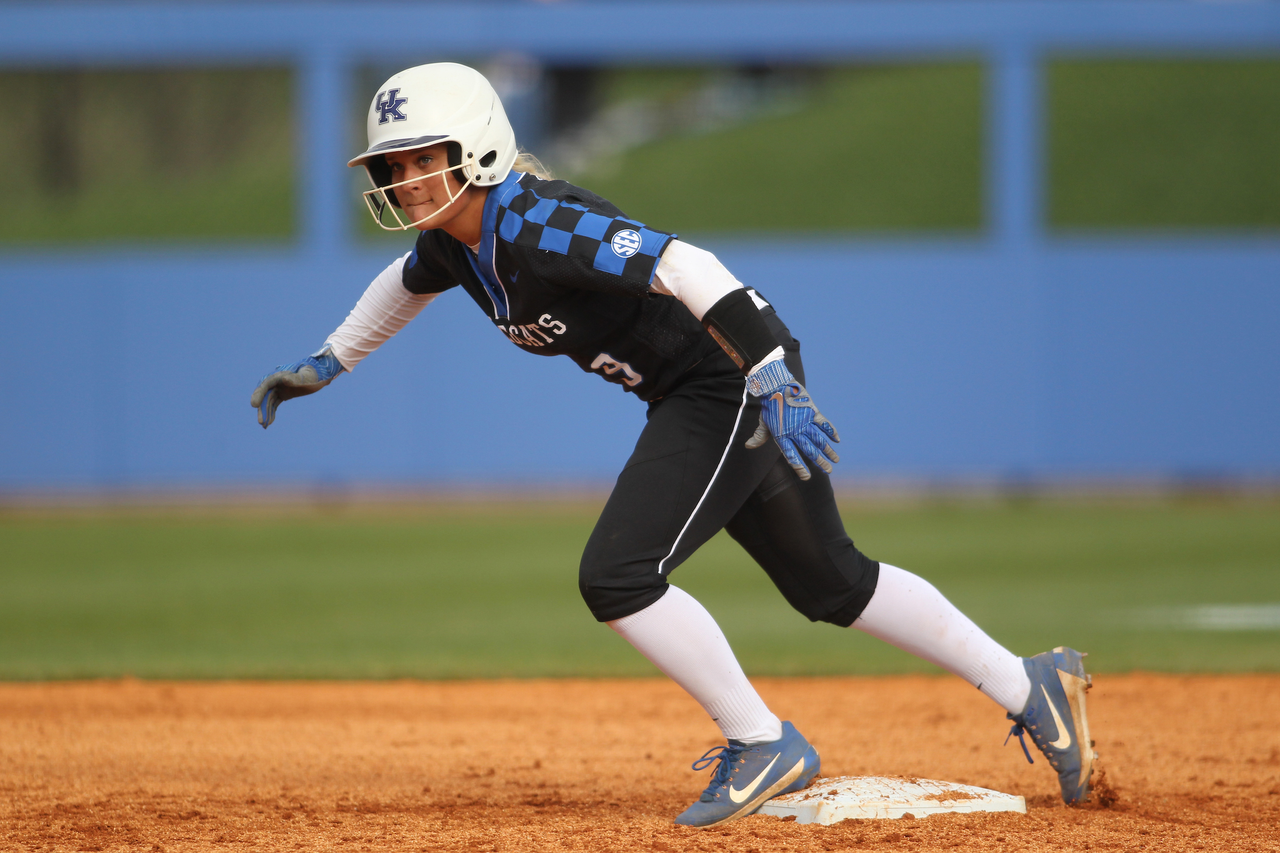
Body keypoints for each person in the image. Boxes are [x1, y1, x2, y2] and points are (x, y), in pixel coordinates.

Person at [250, 62, 1096, 827]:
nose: (401, 178)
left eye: (416, 157)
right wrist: (330, 361)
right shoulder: (456, 244)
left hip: (727, 377)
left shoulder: (539, 223)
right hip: (697, 389)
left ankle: (761, 740)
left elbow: (689, 265)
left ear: (474, 149)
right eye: (392, 166)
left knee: (616, 575)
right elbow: (404, 284)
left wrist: (771, 371)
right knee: (833, 580)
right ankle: (1033, 685)